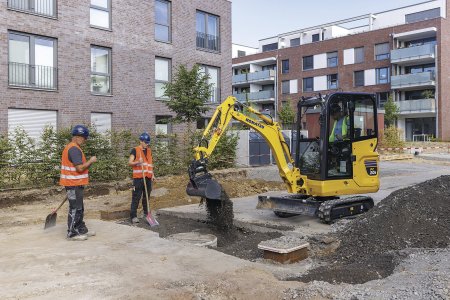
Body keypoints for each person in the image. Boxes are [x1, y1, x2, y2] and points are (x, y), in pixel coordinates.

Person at [60, 125, 97, 241]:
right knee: (75, 208)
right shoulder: (74, 149)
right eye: (84, 138)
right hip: (73, 184)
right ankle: (72, 233)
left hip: (75, 183)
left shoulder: (73, 147)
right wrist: (91, 161)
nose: (85, 141)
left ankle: (81, 229)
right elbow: (80, 168)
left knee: (79, 207)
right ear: (77, 137)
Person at [128, 132, 156, 224]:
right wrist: (137, 162)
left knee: (146, 197)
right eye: (145, 142)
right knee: (136, 197)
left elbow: (150, 164)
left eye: (148, 143)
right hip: (138, 178)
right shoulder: (135, 150)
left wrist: (153, 175)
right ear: (141, 141)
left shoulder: (149, 150)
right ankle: (133, 216)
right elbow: (130, 163)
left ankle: (146, 213)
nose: (147, 144)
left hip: (147, 178)